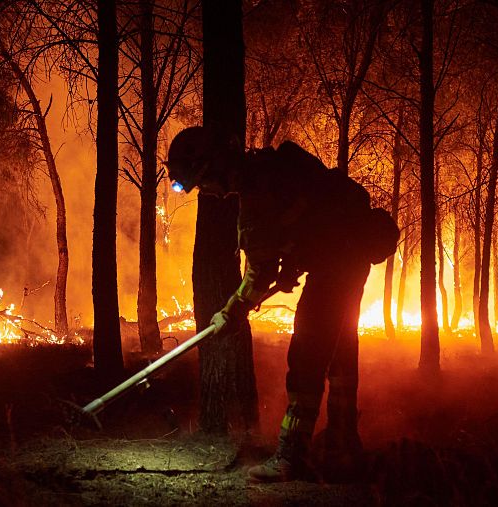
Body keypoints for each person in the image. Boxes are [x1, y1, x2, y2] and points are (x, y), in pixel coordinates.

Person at [165, 126, 399, 483]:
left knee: (306, 356)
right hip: (349, 261)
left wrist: (230, 313)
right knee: (339, 354)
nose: (208, 192)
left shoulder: (256, 197)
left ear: (212, 168)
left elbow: (259, 273)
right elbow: (305, 227)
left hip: (335, 269)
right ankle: (343, 442)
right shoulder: (271, 168)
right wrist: (291, 266)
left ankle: (291, 457)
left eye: (202, 184)